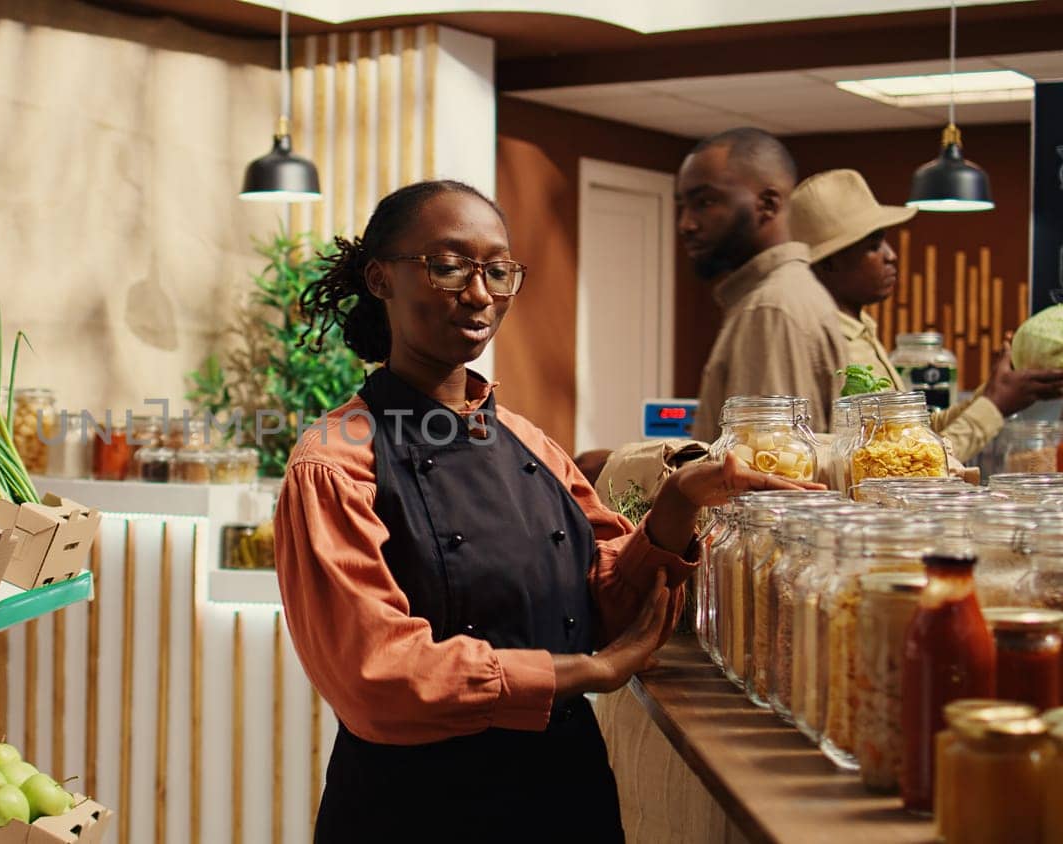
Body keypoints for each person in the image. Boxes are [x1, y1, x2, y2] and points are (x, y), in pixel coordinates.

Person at [275, 180, 819, 841]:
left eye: (498, 271)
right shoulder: (334, 459)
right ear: (380, 278)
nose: (479, 294)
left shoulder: (528, 443)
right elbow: (377, 677)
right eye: (448, 266)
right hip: (415, 809)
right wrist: (589, 671)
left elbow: (607, 603)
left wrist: (678, 502)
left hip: (562, 795)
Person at [788, 169, 1063, 462]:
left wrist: (997, 391)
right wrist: (994, 406)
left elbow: (917, 434)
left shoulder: (862, 332)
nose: (891, 255)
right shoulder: (835, 347)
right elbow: (904, 464)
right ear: (829, 262)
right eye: (873, 246)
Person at [679, 128, 847, 440]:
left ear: (767, 205)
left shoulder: (770, 307)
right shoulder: (777, 295)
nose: (686, 223)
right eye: (684, 205)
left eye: (705, 202)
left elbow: (770, 471)